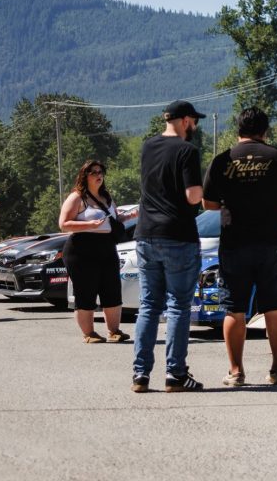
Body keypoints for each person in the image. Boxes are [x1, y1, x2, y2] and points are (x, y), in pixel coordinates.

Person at [201, 106, 277, 387]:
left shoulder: (222, 160)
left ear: (238, 130)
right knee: (273, 307)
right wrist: (275, 205)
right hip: (272, 242)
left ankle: (236, 371)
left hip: (234, 243)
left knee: (234, 308)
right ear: (264, 130)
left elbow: (208, 203)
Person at [132, 101, 207, 393]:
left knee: (149, 305)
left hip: (145, 232)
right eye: (195, 121)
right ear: (185, 120)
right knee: (178, 305)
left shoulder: (147, 147)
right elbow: (192, 196)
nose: (195, 126)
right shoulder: (187, 151)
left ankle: (140, 374)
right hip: (177, 234)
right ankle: (175, 374)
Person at [59, 159, 126, 344]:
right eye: (94, 172)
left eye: (100, 172)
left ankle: (114, 331)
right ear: (85, 176)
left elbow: (114, 219)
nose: (99, 175)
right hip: (82, 250)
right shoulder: (76, 197)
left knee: (112, 289)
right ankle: (89, 333)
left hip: (107, 247)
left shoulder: (106, 196)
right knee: (85, 291)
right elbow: (63, 224)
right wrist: (89, 224)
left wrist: (129, 216)